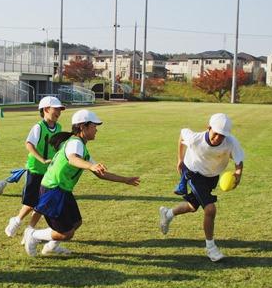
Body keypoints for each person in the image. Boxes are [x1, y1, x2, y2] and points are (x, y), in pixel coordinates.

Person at [23, 109, 140, 257]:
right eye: (94, 126)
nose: (96, 130)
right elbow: (73, 159)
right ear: (83, 127)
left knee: (76, 223)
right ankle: (33, 235)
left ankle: (51, 247)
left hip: (62, 190)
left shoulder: (80, 145)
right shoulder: (75, 143)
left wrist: (125, 180)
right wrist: (91, 166)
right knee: (66, 233)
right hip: (54, 189)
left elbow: (100, 174)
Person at [159, 113, 245, 262]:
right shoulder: (195, 139)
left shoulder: (231, 142)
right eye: (216, 133)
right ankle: (211, 248)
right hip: (193, 172)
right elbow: (183, 133)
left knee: (192, 206)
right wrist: (180, 159)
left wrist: (238, 173)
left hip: (212, 176)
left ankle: (167, 214)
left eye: (222, 135)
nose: (218, 138)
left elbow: (239, 161)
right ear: (208, 128)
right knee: (210, 209)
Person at [4, 96, 65, 243]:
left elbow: (58, 147)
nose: (59, 112)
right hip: (35, 170)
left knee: (42, 204)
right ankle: (16, 220)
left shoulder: (59, 128)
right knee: (31, 203)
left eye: (60, 110)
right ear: (46, 109)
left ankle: (29, 231)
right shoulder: (39, 127)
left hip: (49, 172)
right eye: (56, 109)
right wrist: (42, 159)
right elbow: (29, 144)